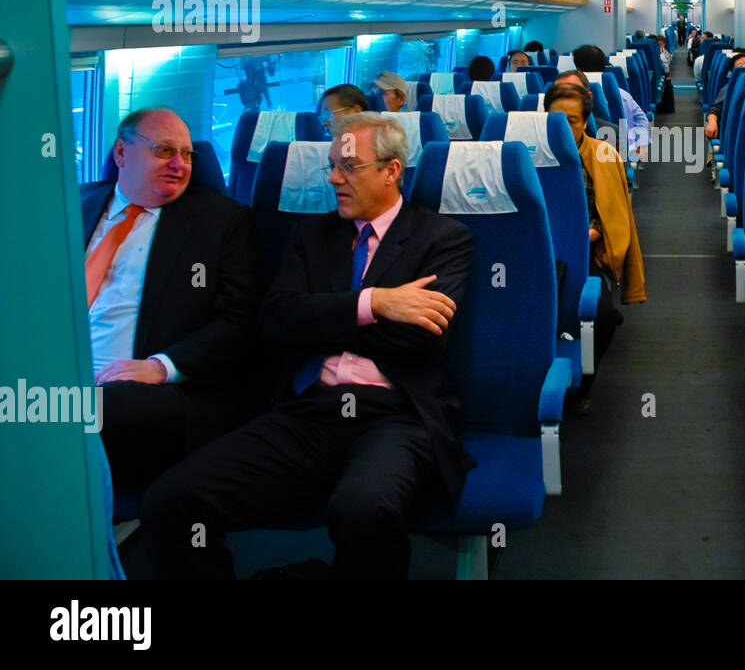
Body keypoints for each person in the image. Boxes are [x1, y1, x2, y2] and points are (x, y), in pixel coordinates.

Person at [138, 113, 475, 578]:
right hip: (309, 409)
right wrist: (375, 302)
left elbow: (421, 338)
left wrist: (325, 314)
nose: (334, 178)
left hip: (396, 414)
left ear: (391, 170)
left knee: (363, 509)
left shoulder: (443, 239)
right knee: (172, 501)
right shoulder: (313, 234)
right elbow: (277, 319)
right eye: (331, 165)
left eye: (349, 167)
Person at [80, 108, 258, 492]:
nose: (180, 164)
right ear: (121, 153)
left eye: (188, 154)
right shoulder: (73, 205)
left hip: (149, 385)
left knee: (55, 412)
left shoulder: (220, 222)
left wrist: (163, 366)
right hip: (54, 369)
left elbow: (239, 323)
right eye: (164, 151)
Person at [544, 84, 646, 413]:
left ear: (586, 122)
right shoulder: (526, 155)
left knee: (599, 315)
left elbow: (612, 216)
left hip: (584, 252)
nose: (564, 127)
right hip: (533, 253)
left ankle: (582, 386)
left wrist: (584, 235)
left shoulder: (603, 155)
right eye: (555, 120)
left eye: (572, 121)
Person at [573, 44, 649, 163]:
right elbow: (642, 120)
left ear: (578, 70)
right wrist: (638, 151)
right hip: (621, 155)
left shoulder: (568, 99)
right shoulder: (621, 95)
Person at [704, 50, 745, 140]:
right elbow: (716, 109)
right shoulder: (730, 88)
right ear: (733, 72)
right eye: (740, 65)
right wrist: (712, 122)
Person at [554, 69, 615, 138]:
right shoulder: (542, 131)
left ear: (588, 97)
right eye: (559, 94)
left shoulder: (612, 135)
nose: (565, 100)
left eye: (572, 94)